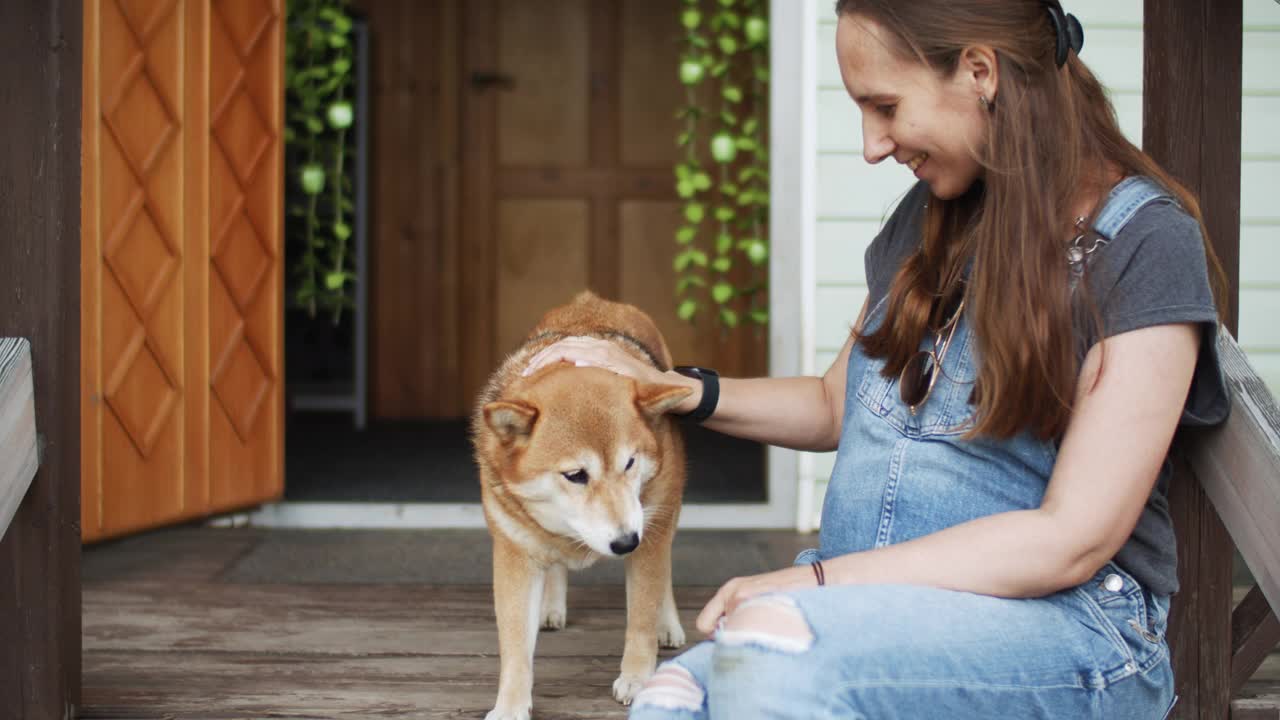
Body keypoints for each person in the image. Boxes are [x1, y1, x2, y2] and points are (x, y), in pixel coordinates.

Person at [521, 0, 1230, 717]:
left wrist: (823, 584)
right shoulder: (931, 218)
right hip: (860, 620)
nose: (871, 145)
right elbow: (837, 404)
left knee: (765, 672)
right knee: (673, 698)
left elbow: (1071, 539)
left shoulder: (1142, 245)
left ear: (980, 71)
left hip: (1067, 633)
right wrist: (671, 388)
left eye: (884, 106)